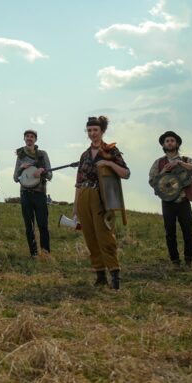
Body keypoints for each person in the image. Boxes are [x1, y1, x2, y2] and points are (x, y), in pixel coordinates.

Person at [74, 116, 130, 289]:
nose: (92, 133)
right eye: (89, 130)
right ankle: (100, 275)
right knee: (90, 236)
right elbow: (78, 181)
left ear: (102, 131)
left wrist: (107, 163)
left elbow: (126, 173)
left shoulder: (111, 151)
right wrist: (75, 207)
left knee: (105, 236)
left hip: (102, 197)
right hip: (84, 194)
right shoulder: (84, 155)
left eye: (95, 130)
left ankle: (114, 274)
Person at [148, 130, 192, 267]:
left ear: (177, 143)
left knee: (188, 232)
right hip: (168, 202)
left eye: (172, 141)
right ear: (163, 145)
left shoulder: (187, 160)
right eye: (167, 141)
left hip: (183, 201)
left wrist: (179, 164)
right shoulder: (158, 163)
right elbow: (152, 181)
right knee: (170, 233)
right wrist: (164, 171)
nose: (170, 143)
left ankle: (189, 260)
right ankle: (175, 261)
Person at [13, 129, 53, 258]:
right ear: (24, 139)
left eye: (32, 136)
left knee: (43, 224)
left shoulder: (42, 154)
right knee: (29, 226)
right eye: (27, 136)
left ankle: (45, 253)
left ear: (35, 139)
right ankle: (34, 253)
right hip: (25, 194)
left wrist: (42, 171)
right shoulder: (20, 156)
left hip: (40, 193)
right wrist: (21, 168)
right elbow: (15, 178)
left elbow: (50, 174)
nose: (29, 138)